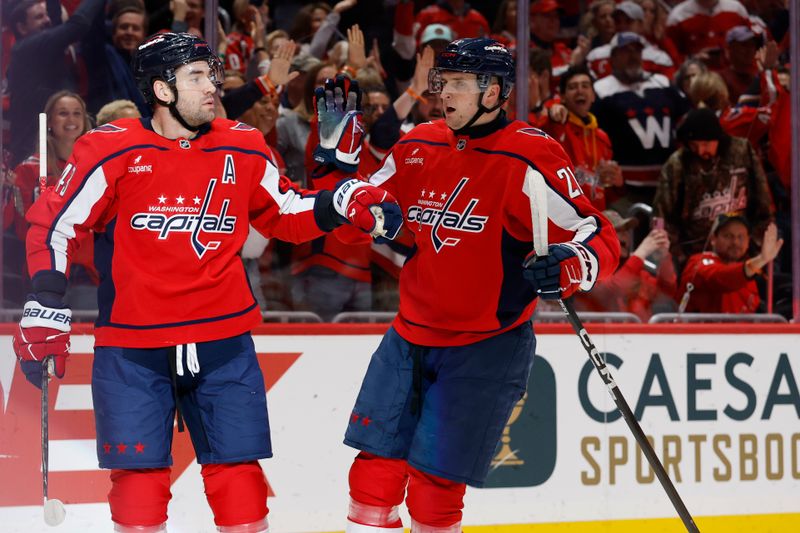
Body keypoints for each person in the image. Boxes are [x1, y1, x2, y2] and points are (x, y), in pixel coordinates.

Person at [11, 32, 401, 533]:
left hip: (223, 342)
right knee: (137, 485)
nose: (212, 86)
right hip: (134, 345)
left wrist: (338, 200)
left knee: (239, 479)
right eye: (196, 76)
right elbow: (56, 222)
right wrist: (45, 299)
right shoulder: (113, 148)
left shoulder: (242, 144)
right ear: (162, 89)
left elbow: (284, 211)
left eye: (212, 74)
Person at [341, 38, 619, 533]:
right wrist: (346, 183)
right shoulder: (418, 144)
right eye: (443, 83)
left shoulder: (530, 154)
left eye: (460, 84)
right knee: (373, 475)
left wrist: (571, 263)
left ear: (493, 92)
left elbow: (595, 231)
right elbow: (367, 196)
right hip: (409, 336)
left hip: (486, 345)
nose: (445, 94)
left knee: (434, 487)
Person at [653, 107, 773, 263]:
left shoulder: (742, 150)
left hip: (742, 251)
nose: (700, 150)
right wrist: (671, 256)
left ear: (718, 138)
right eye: (694, 145)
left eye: (705, 143)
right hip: (694, 255)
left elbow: (763, 200)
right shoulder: (677, 164)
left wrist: (757, 243)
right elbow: (661, 215)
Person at [540, 65, 622, 210]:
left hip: (596, 215)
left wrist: (617, 183)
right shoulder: (558, 125)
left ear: (593, 95)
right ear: (563, 97)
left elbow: (606, 193)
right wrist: (553, 108)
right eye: (573, 87)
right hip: (564, 214)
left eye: (585, 86)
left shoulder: (602, 137)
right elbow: (548, 119)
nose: (580, 90)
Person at [677, 214, 783, 313]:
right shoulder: (698, 262)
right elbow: (721, 277)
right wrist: (761, 260)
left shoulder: (749, 275)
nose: (735, 242)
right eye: (728, 236)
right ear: (713, 239)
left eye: (740, 237)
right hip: (700, 332)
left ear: (748, 241)